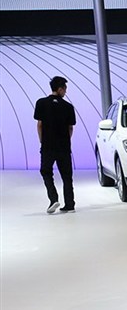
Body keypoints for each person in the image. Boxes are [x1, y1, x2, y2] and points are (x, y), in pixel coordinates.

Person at [34, 76, 76, 213]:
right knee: (67, 176)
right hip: (64, 146)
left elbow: (39, 125)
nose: (66, 92)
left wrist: (42, 140)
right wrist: (66, 140)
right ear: (60, 89)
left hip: (47, 145)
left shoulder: (41, 103)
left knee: (46, 172)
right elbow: (70, 128)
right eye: (65, 89)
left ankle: (53, 199)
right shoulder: (68, 107)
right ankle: (70, 204)